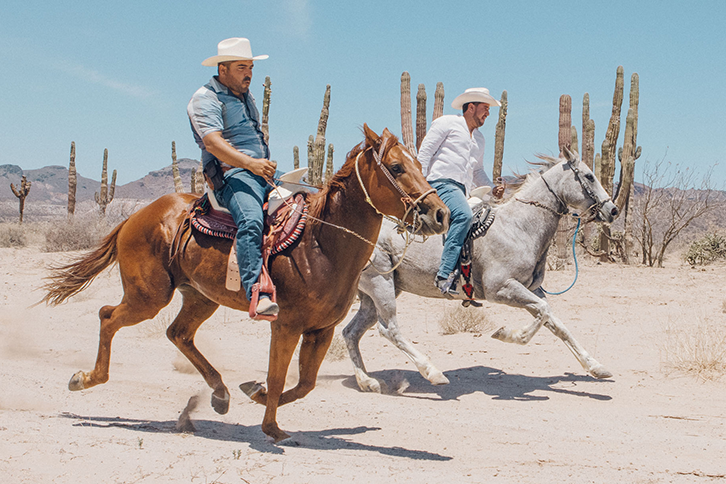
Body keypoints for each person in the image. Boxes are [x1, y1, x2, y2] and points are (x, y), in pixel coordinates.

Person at [187, 37, 279, 316]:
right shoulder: (205, 98)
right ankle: (257, 293)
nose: (249, 73)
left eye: (250, 67)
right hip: (233, 175)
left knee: (311, 197)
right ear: (222, 69)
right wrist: (252, 164)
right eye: (241, 67)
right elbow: (213, 143)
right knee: (251, 219)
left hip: (258, 170)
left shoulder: (245, 95)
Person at [417, 87, 500, 296]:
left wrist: (491, 189)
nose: (488, 113)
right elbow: (425, 152)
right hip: (440, 183)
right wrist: (421, 186)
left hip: (463, 190)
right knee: (463, 215)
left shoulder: (479, 139)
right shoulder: (447, 123)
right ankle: (445, 274)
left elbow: (477, 170)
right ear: (471, 107)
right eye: (485, 108)